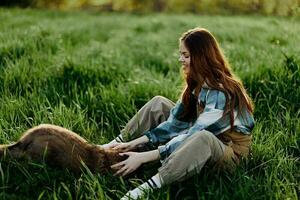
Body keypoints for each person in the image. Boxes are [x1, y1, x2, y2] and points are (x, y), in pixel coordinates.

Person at [102, 27, 255, 200]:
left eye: (186, 56)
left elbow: (193, 134)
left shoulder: (221, 93)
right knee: (159, 103)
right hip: (205, 134)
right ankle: (111, 146)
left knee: (201, 138)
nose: (180, 59)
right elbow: (175, 124)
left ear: (202, 57)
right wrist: (134, 143)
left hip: (229, 152)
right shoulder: (198, 82)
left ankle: (144, 189)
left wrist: (144, 157)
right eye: (181, 54)